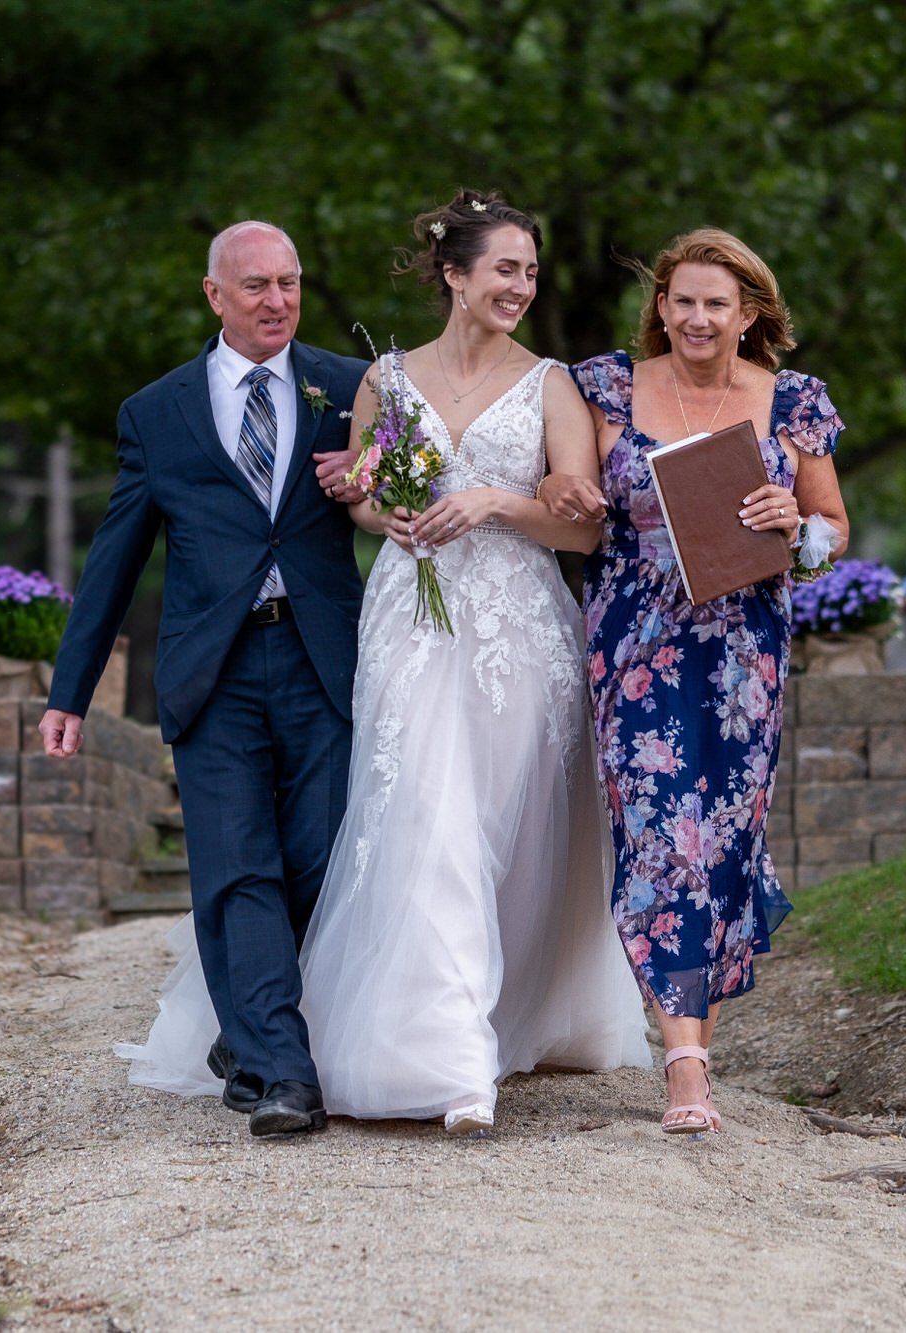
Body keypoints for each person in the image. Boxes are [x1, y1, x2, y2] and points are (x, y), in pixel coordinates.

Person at [120, 189, 649, 1135]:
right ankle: (448, 1060)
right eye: (505, 270)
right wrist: (385, 510)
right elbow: (360, 497)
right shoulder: (382, 378)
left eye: (529, 272)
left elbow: (584, 520)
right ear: (454, 275)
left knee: (505, 832)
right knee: (426, 821)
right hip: (411, 618)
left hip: (516, 629)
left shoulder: (553, 383)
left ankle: (497, 1008)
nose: (521, 287)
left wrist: (491, 501)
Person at [41, 221, 369, 1139]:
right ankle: (280, 1069)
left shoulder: (349, 387)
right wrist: (71, 689)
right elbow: (116, 556)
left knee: (318, 856)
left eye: (291, 282)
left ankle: (248, 1031)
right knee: (236, 868)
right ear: (214, 294)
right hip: (212, 669)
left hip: (323, 659)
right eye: (257, 285)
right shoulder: (158, 411)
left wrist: (375, 479)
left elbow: (404, 503)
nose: (277, 300)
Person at [542, 228, 850, 1134]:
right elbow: (573, 495)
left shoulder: (792, 402)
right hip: (635, 649)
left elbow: (833, 530)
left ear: (750, 313)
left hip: (744, 654)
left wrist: (797, 524)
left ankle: (693, 1047)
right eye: (683, 300)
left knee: (718, 842)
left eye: (717, 303)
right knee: (663, 836)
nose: (698, 318)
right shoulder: (606, 388)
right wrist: (571, 493)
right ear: (662, 306)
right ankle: (685, 1067)